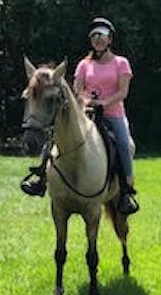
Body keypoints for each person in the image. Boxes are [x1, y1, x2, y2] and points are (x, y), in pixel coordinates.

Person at [20, 18, 140, 215]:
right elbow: (78, 89)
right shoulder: (84, 65)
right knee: (54, 136)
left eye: (102, 36)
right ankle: (41, 177)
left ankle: (126, 191)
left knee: (124, 144)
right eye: (94, 36)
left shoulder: (121, 63)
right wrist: (88, 101)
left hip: (113, 114)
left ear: (110, 39)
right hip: (86, 113)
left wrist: (103, 102)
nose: (98, 40)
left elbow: (123, 92)